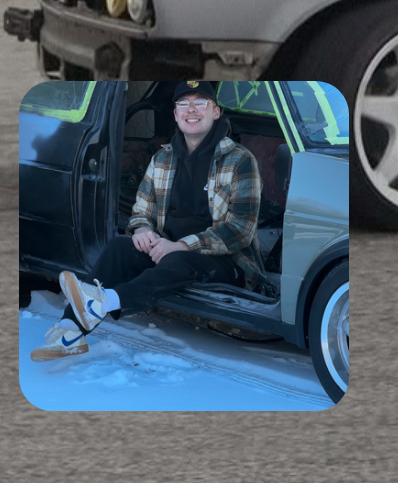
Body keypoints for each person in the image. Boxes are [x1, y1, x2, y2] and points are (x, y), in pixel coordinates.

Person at [32, 80, 264, 362]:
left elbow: (240, 230)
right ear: (175, 114)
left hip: (225, 261)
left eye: (200, 102)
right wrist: (142, 229)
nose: (191, 109)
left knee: (177, 260)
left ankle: (104, 302)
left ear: (215, 112)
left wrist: (181, 246)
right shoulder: (163, 157)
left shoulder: (239, 160)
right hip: (167, 249)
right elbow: (142, 210)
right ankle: (70, 331)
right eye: (183, 104)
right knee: (119, 247)